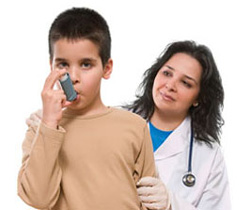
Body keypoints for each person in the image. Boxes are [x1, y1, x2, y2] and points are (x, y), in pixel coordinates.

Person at [17, 7, 156, 210]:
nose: (73, 76)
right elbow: (39, 199)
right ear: (51, 67)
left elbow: (150, 200)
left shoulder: (134, 126)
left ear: (106, 68)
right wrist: (49, 124)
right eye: (63, 64)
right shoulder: (40, 130)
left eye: (86, 64)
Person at [127, 40, 231, 209]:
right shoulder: (116, 121)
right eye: (167, 73)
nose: (170, 85)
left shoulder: (208, 156)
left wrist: (172, 203)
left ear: (199, 98)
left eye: (186, 83)